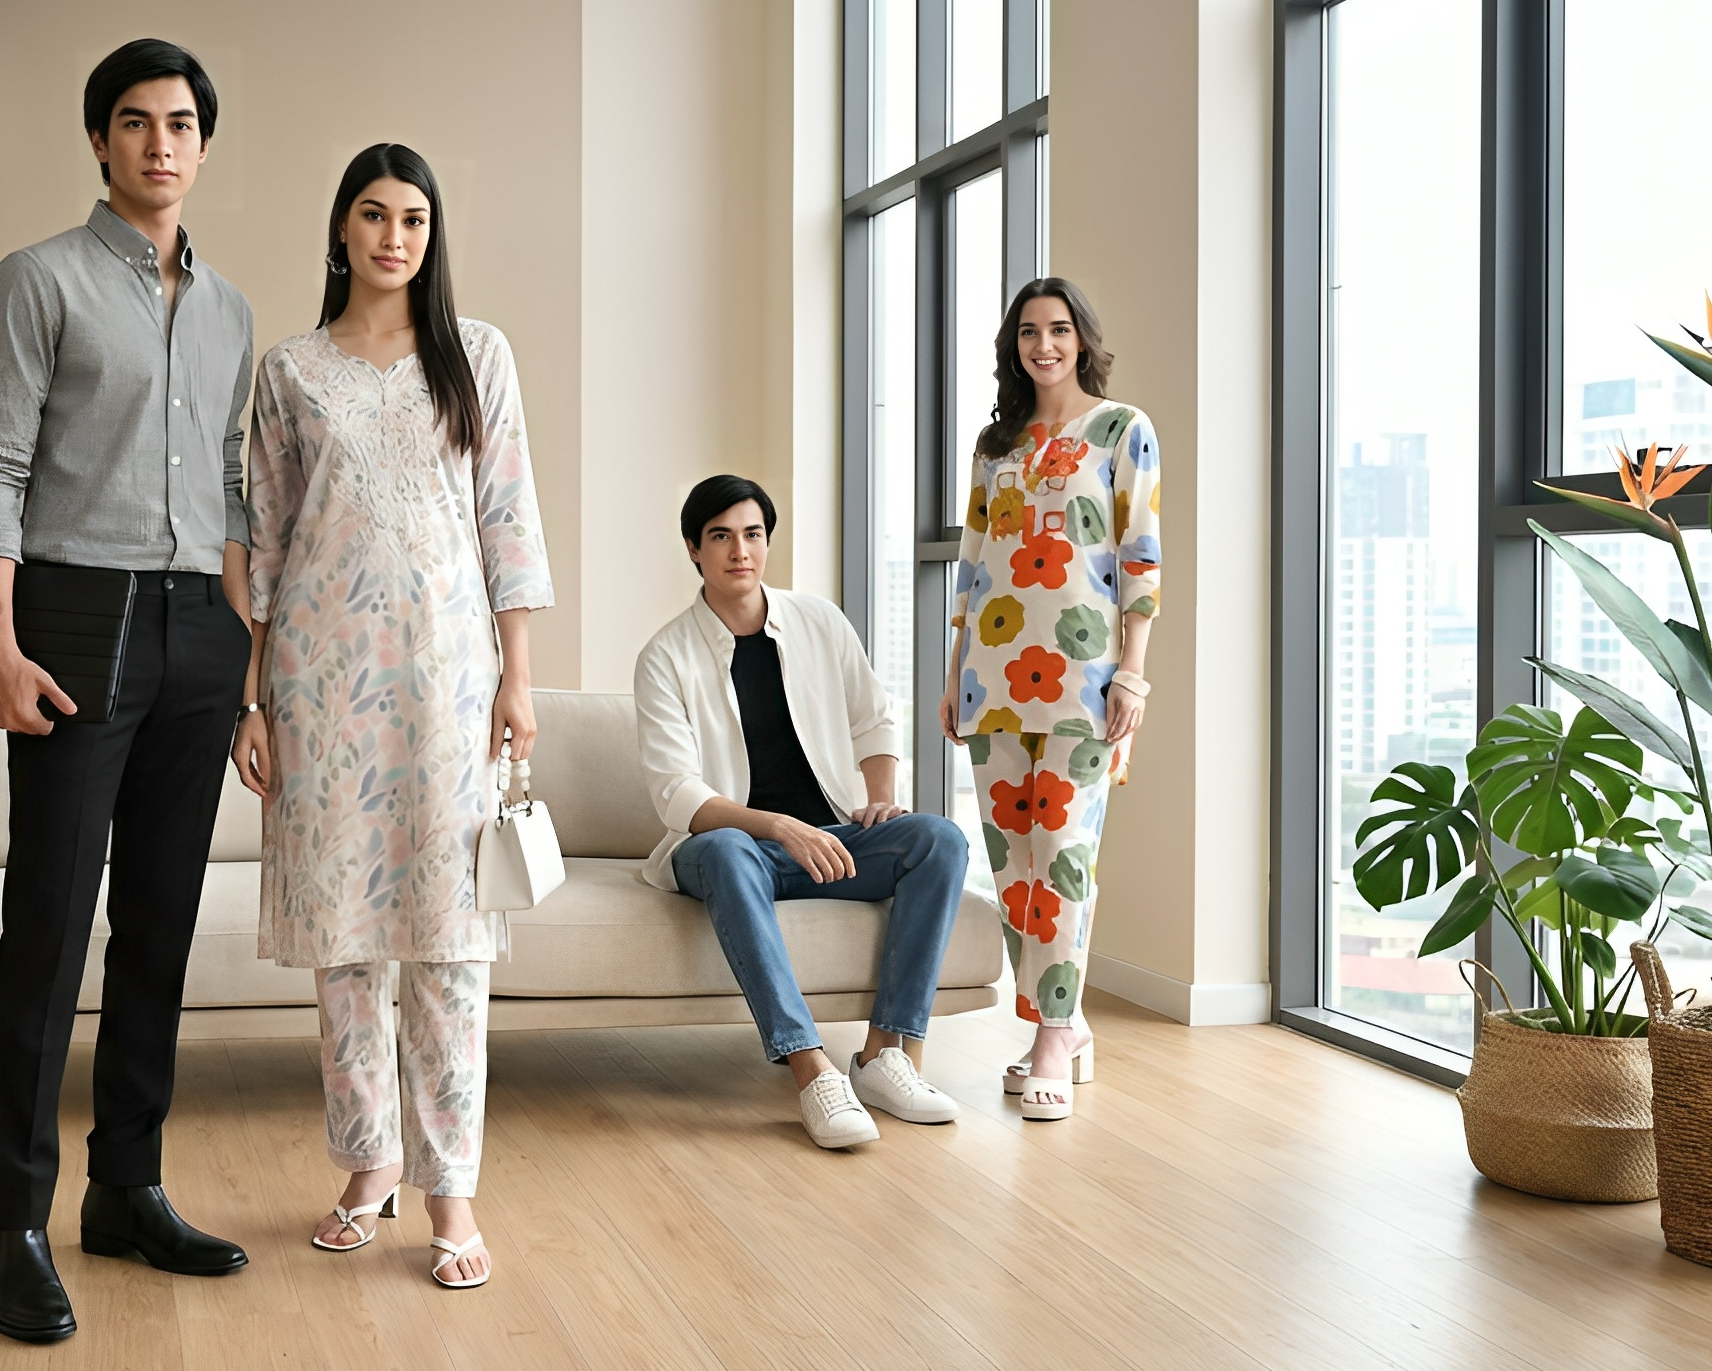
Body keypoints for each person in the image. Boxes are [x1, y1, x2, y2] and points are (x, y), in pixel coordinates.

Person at [0, 39, 255, 1344]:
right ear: (99, 142)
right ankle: (13, 1221)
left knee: (160, 924)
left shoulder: (234, 309)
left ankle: (126, 1185)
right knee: (49, 927)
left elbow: (242, 496)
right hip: (75, 616)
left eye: (179, 123)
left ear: (201, 142)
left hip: (201, 624)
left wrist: (251, 667)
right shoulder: (38, 280)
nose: (158, 143)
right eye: (133, 122)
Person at [231, 143, 552, 1292]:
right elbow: (262, 547)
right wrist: (253, 697)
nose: (394, 237)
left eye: (414, 218)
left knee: (451, 942)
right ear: (342, 230)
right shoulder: (290, 371)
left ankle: (450, 1187)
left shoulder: (479, 359)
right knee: (349, 948)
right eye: (373, 215)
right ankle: (367, 1165)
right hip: (320, 686)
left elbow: (508, 521)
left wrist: (519, 679)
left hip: (450, 685)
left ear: (433, 235)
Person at [634, 476, 970, 1149]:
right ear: (693, 550)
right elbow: (677, 794)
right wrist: (776, 824)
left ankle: (883, 1055)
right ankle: (809, 1067)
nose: (740, 550)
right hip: (734, 851)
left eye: (752, 533)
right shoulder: (665, 656)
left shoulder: (817, 620)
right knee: (729, 847)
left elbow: (874, 717)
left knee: (937, 838)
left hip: (828, 839)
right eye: (721, 536)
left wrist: (876, 796)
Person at [938, 277, 1161, 1122]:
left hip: (1084, 679)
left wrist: (1132, 671)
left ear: (1080, 338)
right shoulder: (994, 445)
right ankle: (1062, 1021)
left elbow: (1140, 557)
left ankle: (1050, 1038)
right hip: (992, 675)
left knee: (1063, 851)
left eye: (1058, 329)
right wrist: (954, 669)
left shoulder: (1120, 431)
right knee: (1015, 866)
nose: (1044, 345)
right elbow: (973, 564)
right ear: (1013, 346)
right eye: (1029, 331)